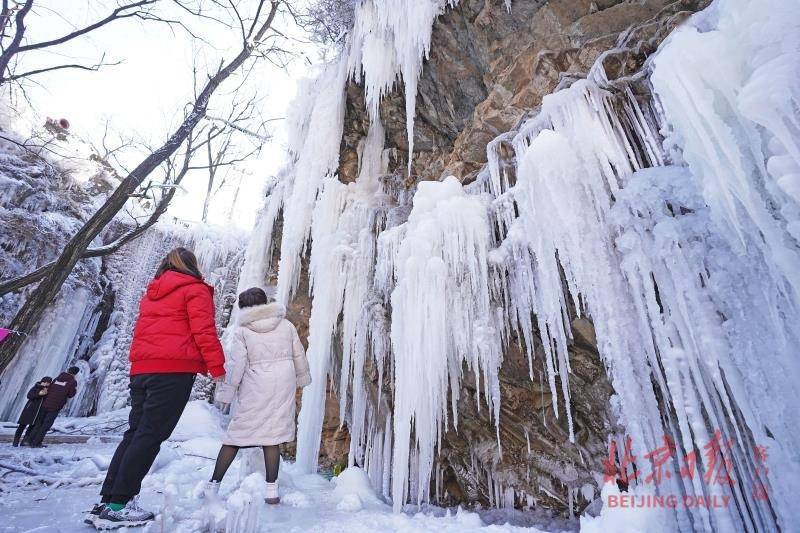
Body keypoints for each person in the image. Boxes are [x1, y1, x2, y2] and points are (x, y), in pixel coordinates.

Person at [89, 248, 226, 530]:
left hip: (142, 370)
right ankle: (119, 504)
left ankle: (107, 501)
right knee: (150, 435)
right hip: (172, 372)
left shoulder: (153, 292)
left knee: (135, 433)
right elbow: (204, 331)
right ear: (191, 267)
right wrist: (217, 367)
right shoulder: (194, 290)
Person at [206, 287, 311, 505]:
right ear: (264, 303)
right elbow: (298, 353)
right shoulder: (285, 325)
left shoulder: (243, 331)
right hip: (283, 383)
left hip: (256, 385)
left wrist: (226, 393)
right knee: (272, 436)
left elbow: (236, 365)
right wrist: (303, 378)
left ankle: (213, 486)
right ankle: (271, 491)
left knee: (235, 435)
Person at [27, 367, 78, 447]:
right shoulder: (72, 381)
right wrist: (74, 390)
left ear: (68, 370)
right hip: (55, 406)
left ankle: (30, 441)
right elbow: (71, 394)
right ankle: (36, 443)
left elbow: (49, 389)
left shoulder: (57, 378)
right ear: (75, 374)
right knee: (46, 425)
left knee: (39, 423)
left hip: (46, 403)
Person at [13, 376, 52, 447]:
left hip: (38, 413)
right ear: (42, 381)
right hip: (29, 410)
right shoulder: (36, 387)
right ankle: (15, 441)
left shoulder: (49, 390)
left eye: (48, 382)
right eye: (45, 382)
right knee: (22, 426)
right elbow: (29, 395)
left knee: (31, 427)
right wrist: (39, 394)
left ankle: (24, 441)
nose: (46, 384)